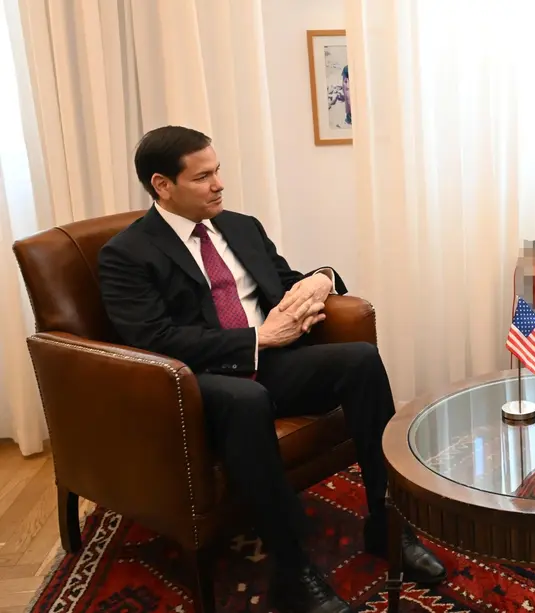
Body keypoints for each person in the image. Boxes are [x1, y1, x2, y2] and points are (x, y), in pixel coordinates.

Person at [98, 125, 446, 613]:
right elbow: (152, 339)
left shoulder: (241, 227)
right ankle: (293, 569)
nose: (219, 183)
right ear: (162, 185)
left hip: (272, 364)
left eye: (217, 170)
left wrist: (323, 279)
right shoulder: (125, 255)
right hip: (200, 384)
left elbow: (286, 285)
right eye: (203, 176)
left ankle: (387, 524)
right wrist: (256, 339)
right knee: (248, 400)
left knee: (362, 361)